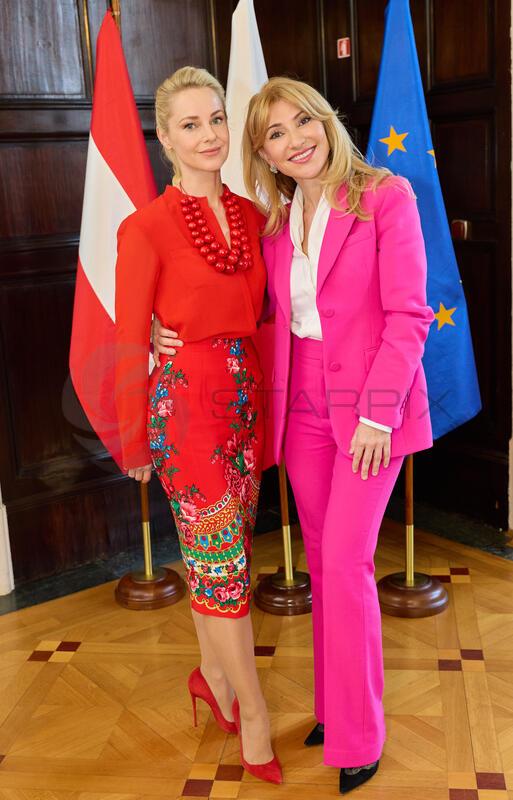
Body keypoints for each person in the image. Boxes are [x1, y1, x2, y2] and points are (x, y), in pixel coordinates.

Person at [153, 76, 434, 795]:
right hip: (300, 405)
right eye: (274, 134)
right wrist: (161, 331)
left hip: (369, 408)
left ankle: (360, 735)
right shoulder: (273, 225)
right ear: (265, 155)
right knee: (321, 561)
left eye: (302, 121)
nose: (294, 140)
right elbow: (230, 299)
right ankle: (333, 710)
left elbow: (409, 315)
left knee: (344, 562)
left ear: (326, 121)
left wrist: (377, 413)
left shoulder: (385, 198)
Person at [113, 66, 281, 785]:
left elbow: (273, 310)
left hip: (245, 402)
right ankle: (255, 715)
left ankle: (212, 677)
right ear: (165, 138)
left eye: (215, 118)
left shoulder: (253, 216)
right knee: (223, 568)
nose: (209, 134)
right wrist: (132, 440)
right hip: (184, 413)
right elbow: (128, 339)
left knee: (223, 562)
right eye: (190, 124)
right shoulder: (144, 227)